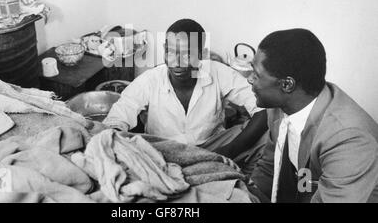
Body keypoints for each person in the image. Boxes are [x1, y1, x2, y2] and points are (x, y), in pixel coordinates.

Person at [103, 18, 268, 174]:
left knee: (265, 138)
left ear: (202, 54)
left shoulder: (218, 72)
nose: (176, 62)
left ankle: (246, 183)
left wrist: (226, 152)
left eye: (187, 54)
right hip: (163, 153)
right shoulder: (150, 80)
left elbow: (263, 109)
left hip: (211, 147)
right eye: (170, 52)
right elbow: (117, 118)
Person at [249, 28, 378, 203]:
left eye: (256, 75)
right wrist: (247, 196)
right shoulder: (280, 107)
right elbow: (270, 169)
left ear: (287, 84)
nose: (249, 79)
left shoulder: (349, 139)